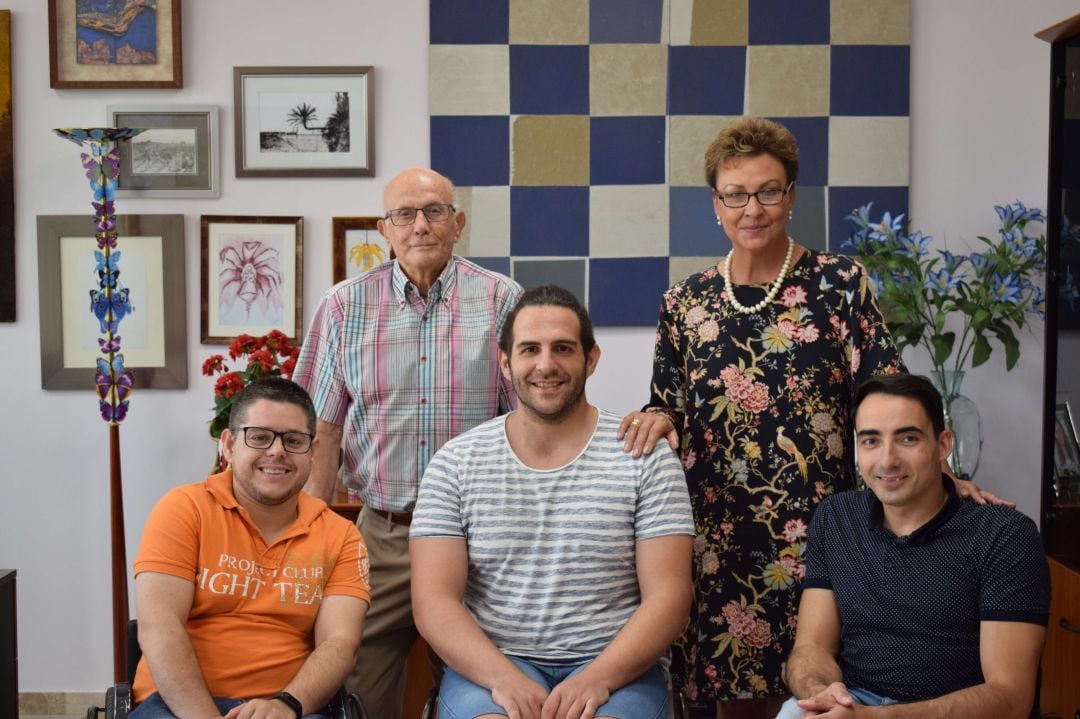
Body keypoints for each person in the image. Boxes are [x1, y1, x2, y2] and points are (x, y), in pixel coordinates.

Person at [617, 117, 1004, 710]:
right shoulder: (684, 302)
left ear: (792, 197)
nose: (753, 208)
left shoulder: (840, 285)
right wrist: (656, 419)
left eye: (769, 191)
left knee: (822, 685)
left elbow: (888, 394)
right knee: (726, 695)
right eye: (736, 194)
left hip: (822, 527)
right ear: (715, 203)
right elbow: (667, 401)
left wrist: (940, 472)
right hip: (718, 532)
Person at [292, 167, 523, 718]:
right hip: (384, 535)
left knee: (491, 694)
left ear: (457, 222)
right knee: (354, 690)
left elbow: (528, 423)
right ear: (384, 229)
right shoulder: (344, 307)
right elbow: (319, 430)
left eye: (435, 211)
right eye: (405, 214)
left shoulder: (501, 300)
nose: (420, 225)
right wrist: (314, 536)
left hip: (481, 536)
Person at [410, 285, 695, 719]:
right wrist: (503, 679)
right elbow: (434, 602)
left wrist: (597, 679)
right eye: (530, 350)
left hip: (617, 666)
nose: (546, 365)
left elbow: (670, 597)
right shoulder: (455, 462)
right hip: (495, 664)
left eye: (563, 348)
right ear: (505, 362)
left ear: (591, 359)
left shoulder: (644, 457)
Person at [778, 373, 1049, 718]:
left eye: (907, 438)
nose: (887, 460)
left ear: (943, 445)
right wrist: (823, 695)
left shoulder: (1004, 535)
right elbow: (811, 647)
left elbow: (1011, 698)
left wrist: (874, 718)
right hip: (852, 703)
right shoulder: (836, 517)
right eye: (871, 441)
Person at [130, 377, 370, 719]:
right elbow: (159, 626)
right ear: (229, 445)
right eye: (259, 437)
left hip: (288, 707)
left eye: (293, 440)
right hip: (175, 705)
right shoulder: (184, 509)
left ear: (313, 452)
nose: (277, 451)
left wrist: (286, 705)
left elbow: (340, 643)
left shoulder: (342, 536)